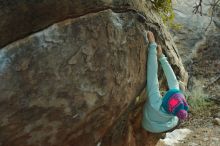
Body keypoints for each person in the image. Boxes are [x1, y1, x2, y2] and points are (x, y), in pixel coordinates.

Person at [142, 31, 189, 133]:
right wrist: (162, 58)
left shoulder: (155, 103)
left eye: (167, 94)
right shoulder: (174, 109)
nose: (168, 91)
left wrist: (152, 46)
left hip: (148, 124)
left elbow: (152, 75)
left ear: (165, 100)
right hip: (166, 124)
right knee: (179, 87)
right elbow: (173, 82)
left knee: (176, 87)